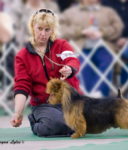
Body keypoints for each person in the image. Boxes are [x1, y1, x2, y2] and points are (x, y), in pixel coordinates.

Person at [10, 9, 81, 137]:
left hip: (70, 101)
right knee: (55, 124)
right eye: (39, 28)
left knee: (88, 121)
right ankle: (38, 121)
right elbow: (22, 86)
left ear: (52, 30)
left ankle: (68, 124)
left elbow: (73, 61)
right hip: (44, 105)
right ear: (32, 27)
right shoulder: (22, 56)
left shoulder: (62, 45)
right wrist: (17, 113)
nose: (43, 34)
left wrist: (70, 68)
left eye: (47, 29)